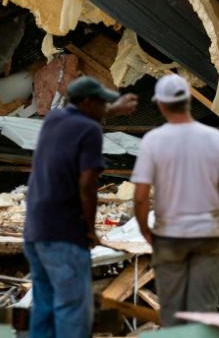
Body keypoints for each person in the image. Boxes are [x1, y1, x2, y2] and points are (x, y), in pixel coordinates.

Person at [24, 76, 138, 338]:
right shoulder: (90, 131)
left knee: (44, 305)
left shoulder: (53, 120)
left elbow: (84, 118)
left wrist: (112, 110)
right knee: (72, 309)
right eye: (101, 103)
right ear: (87, 102)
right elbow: (87, 183)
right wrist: (90, 230)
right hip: (64, 232)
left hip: (35, 230)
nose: (103, 109)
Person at [132, 73, 219, 327]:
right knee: (202, 315)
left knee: (172, 316)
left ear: (160, 105)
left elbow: (140, 198)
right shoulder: (214, 139)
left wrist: (146, 231)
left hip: (169, 237)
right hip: (210, 238)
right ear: (189, 100)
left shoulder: (153, 141)